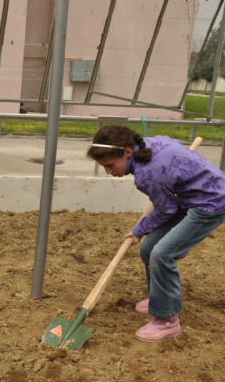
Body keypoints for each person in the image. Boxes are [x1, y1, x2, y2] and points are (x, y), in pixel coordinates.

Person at [87, 125, 225, 342]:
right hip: (189, 196)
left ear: (127, 152)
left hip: (211, 203)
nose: (109, 171)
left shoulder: (147, 174)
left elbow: (166, 210)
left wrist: (139, 229)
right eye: (103, 166)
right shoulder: (146, 145)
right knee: (148, 248)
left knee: (163, 254)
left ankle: (167, 319)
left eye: (110, 165)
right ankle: (160, 299)